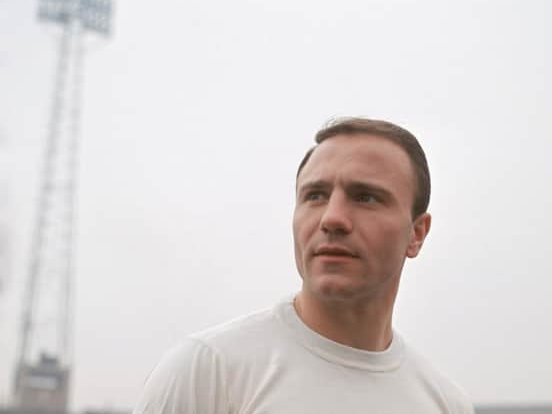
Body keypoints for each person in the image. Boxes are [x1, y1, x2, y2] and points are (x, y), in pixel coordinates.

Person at [133, 117, 474, 414]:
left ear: (416, 233)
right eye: (315, 196)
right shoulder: (208, 372)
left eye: (365, 197)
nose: (332, 218)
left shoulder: (445, 404)